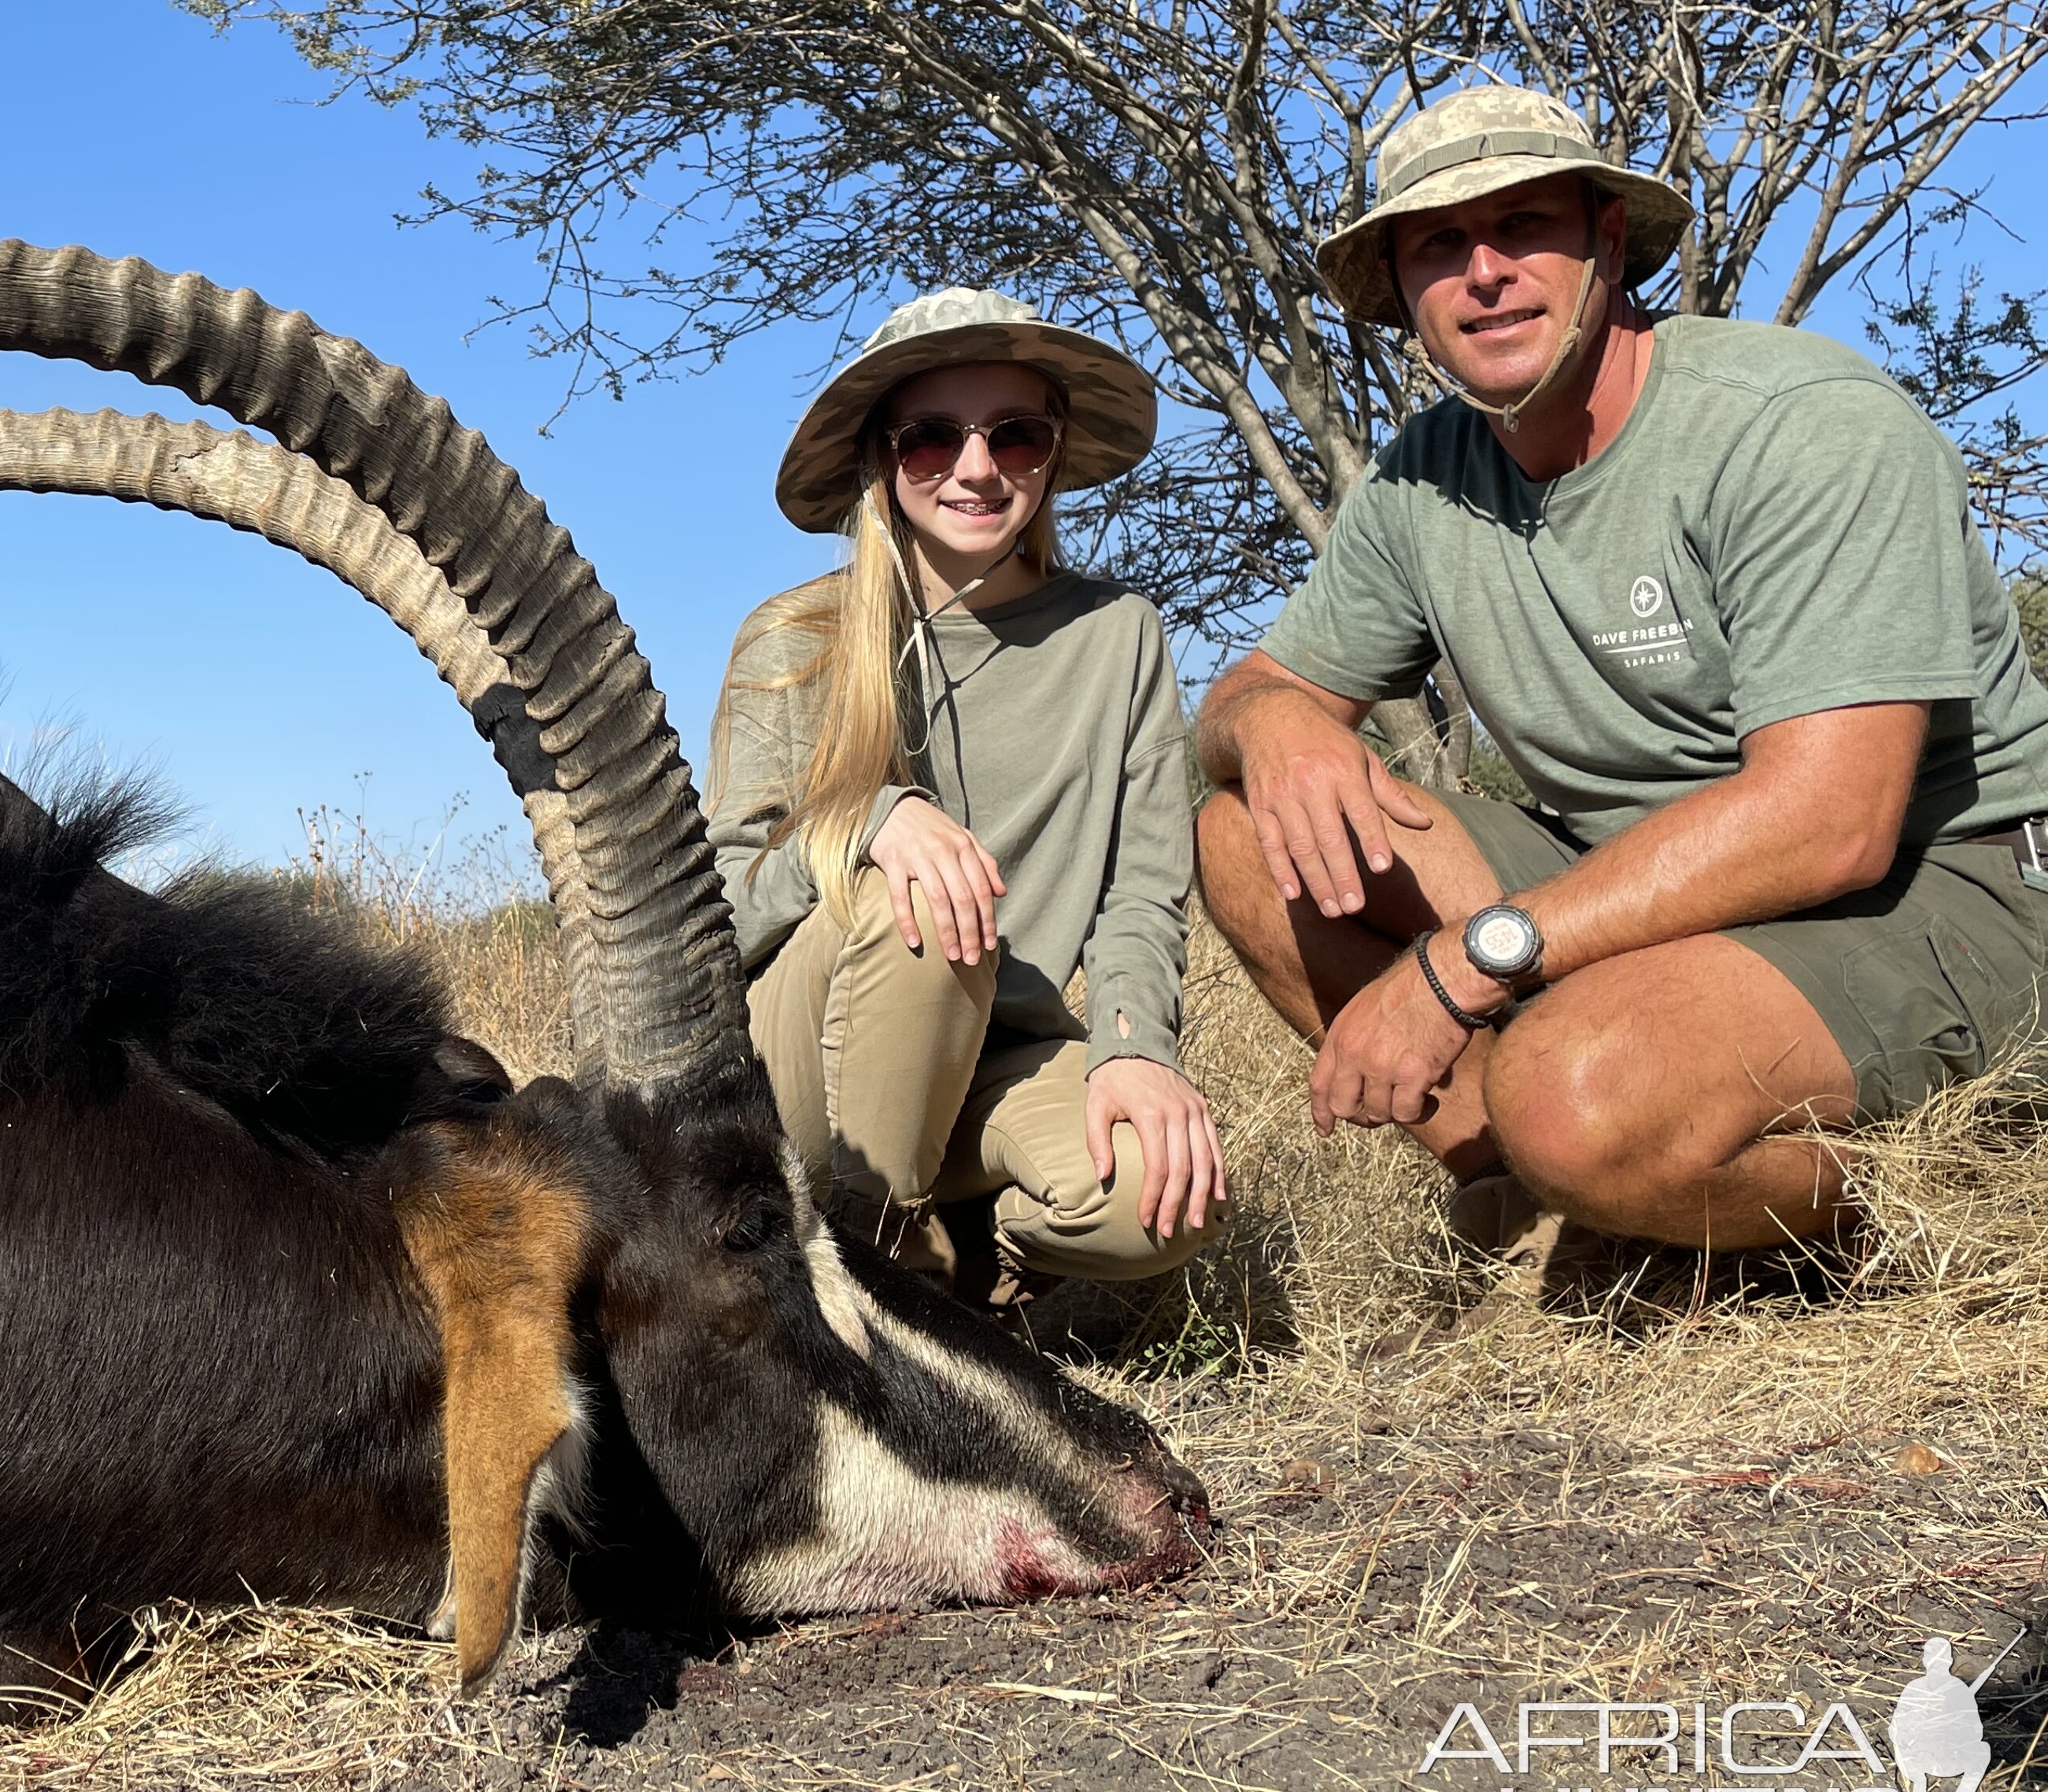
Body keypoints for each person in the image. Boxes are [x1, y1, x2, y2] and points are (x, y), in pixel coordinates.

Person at [1193, 83, 2048, 1270]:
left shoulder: (1799, 421)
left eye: (1526, 224)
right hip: (1646, 871)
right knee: (1242, 833)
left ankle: (1927, 1197)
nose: (1486, 270)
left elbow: (1833, 825)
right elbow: (1240, 697)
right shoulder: (1419, 480)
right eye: (1440, 242)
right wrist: (1277, 721)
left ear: (1604, 242)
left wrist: (1461, 963)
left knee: (1574, 1091)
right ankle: (1530, 1187)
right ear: (1401, 294)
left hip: (1945, 880)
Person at [708, 289, 1225, 1303]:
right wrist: (869, 822)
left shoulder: (1120, 633)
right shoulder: (792, 638)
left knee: (1165, 1199)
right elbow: (722, 904)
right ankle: (867, 1288)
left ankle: (966, 1260)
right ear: (879, 458)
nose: (978, 469)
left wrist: (1133, 1049)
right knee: (929, 919)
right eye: (933, 438)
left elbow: (1142, 895)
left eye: (1016, 435)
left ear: (1054, 451)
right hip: (807, 1062)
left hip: (1000, 1059)